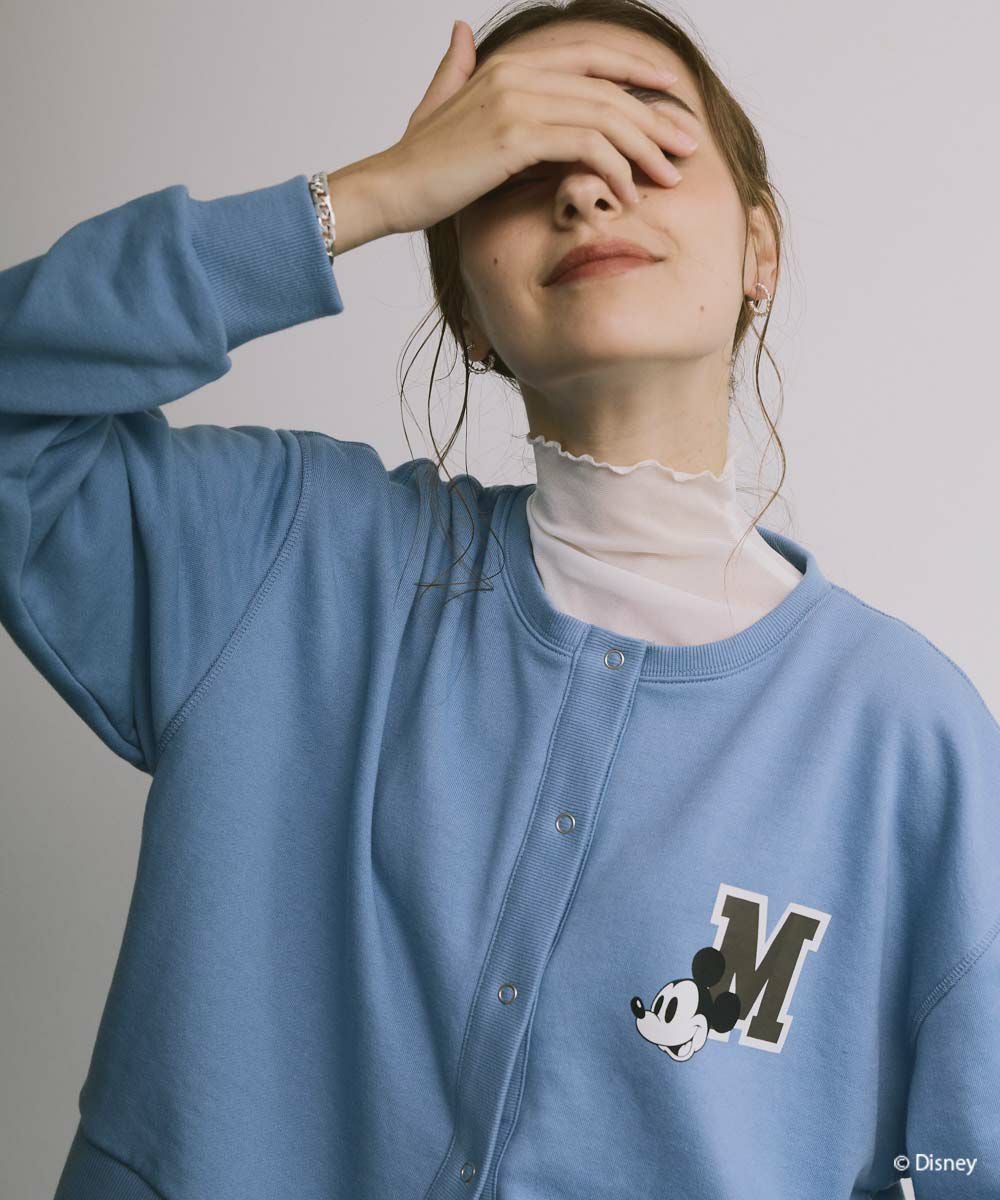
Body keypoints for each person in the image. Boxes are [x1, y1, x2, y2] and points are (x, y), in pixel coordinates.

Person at [1, 4, 997, 1198]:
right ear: (466, 307)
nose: (585, 188)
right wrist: (365, 195)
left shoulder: (908, 740)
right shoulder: (284, 554)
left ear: (758, 251)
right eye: (516, 163)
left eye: (647, 135)